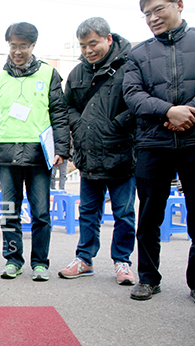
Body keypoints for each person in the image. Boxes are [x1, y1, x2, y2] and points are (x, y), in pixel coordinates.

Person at [0, 22, 69, 281]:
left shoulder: (48, 74)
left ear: (33, 46)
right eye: (13, 46)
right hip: (7, 156)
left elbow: (59, 114)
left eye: (23, 46)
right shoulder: (0, 78)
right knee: (10, 211)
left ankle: (40, 263)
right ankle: (13, 260)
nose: (17, 51)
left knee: (41, 212)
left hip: (39, 154)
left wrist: (61, 148)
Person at [124, 0, 195, 301]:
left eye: (158, 9)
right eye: (146, 14)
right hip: (153, 144)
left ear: (179, 4)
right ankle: (148, 278)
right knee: (150, 215)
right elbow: (132, 95)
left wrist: (189, 113)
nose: (152, 18)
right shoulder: (138, 53)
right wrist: (169, 111)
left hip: (194, 143)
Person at [57, 17, 137, 285]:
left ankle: (122, 261)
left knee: (124, 213)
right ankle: (84, 259)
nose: (88, 50)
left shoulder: (129, 66)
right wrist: (78, 125)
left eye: (93, 43)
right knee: (88, 212)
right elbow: (67, 106)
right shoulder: (78, 73)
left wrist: (115, 125)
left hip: (122, 154)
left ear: (108, 39)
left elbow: (137, 102)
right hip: (88, 155)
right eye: (82, 46)